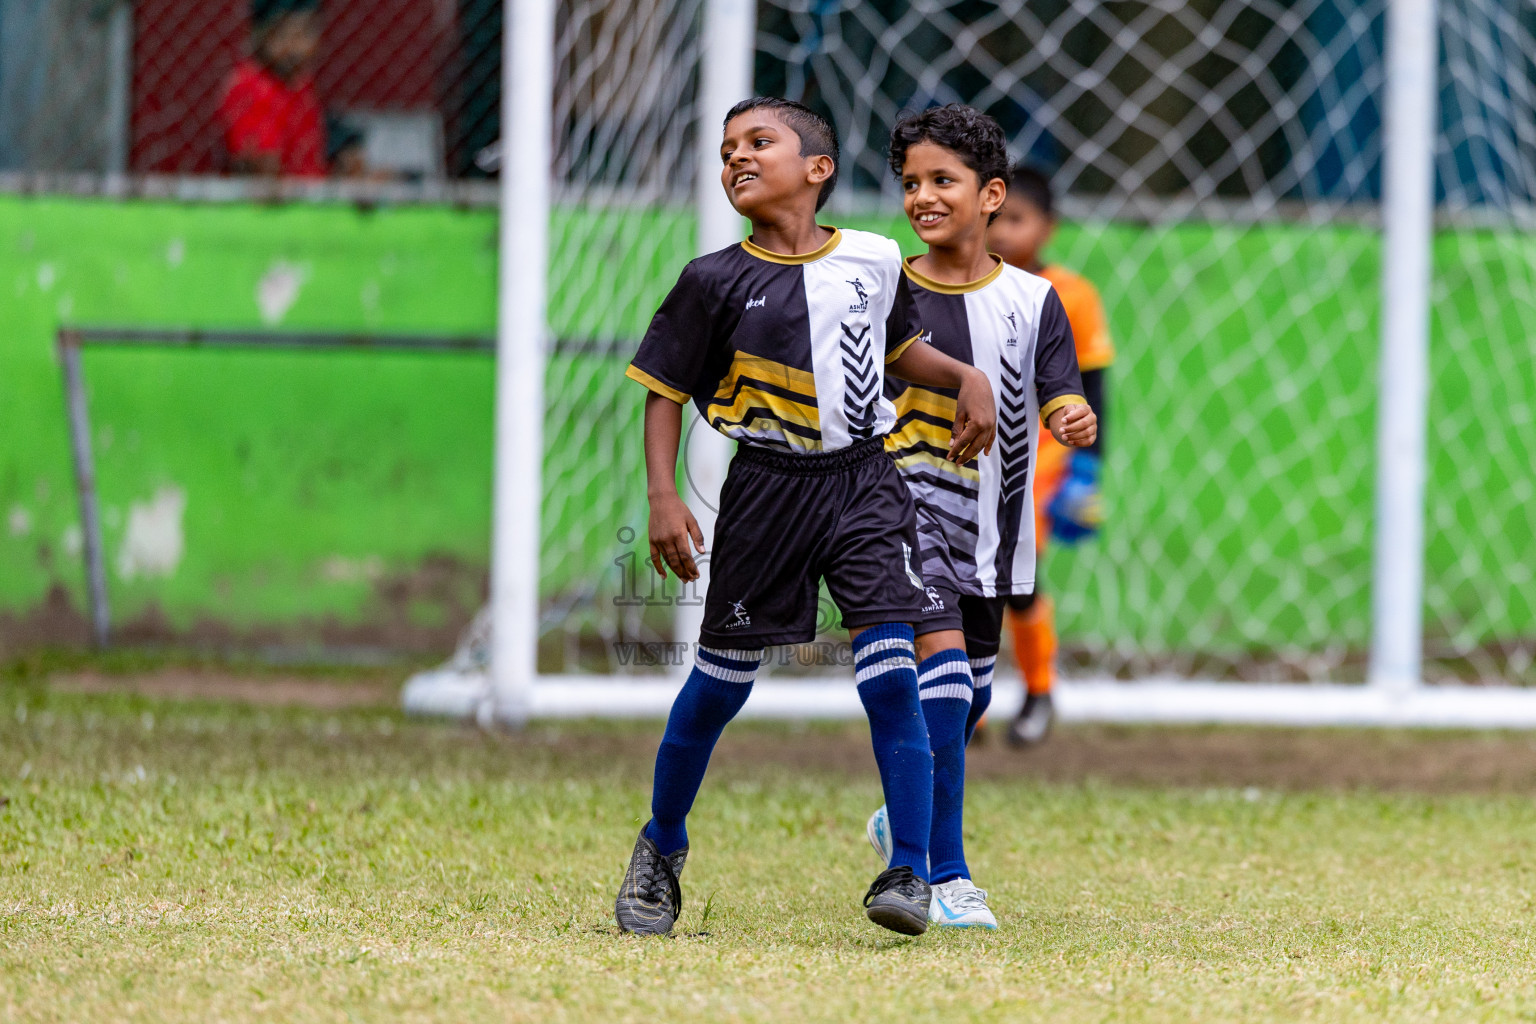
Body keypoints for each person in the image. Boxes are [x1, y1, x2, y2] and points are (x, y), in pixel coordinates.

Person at [614, 97, 998, 937]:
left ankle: (909, 871)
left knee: (892, 675)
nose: (737, 159)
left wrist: (964, 375)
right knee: (719, 688)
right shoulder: (712, 280)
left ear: (817, 169)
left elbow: (900, 351)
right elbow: (663, 393)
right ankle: (662, 845)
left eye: (759, 143)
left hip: (866, 482)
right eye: (726, 151)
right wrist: (663, 496)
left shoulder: (872, 257)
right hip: (766, 493)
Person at [865, 106, 1097, 927]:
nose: (922, 197)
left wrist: (1071, 418)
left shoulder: (1036, 301)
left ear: (991, 194)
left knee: (968, 701)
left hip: (995, 530)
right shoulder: (884, 287)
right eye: (910, 183)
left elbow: (1063, 389)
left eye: (941, 181)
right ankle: (941, 873)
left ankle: (908, 810)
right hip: (896, 514)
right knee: (939, 680)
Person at [987, 166, 1116, 746]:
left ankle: (1039, 690)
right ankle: (969, 704)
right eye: (994, 219)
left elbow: (1095, 390)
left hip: (1040, 465)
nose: (1002, 231)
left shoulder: (1074, 295)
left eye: (1015, 219)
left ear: (1047, 227)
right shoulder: (967, 283)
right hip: (967, 456)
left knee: (1016, 582)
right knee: (961, 584)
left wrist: (1085, 471)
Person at [218, 0, 327, 178]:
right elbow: (263, 168)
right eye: (283, 35)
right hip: (273, 201)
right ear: (260, 37)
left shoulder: (302, 85)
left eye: (305, 33)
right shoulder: (248, 85)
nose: (296, 47)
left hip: (310, 197)